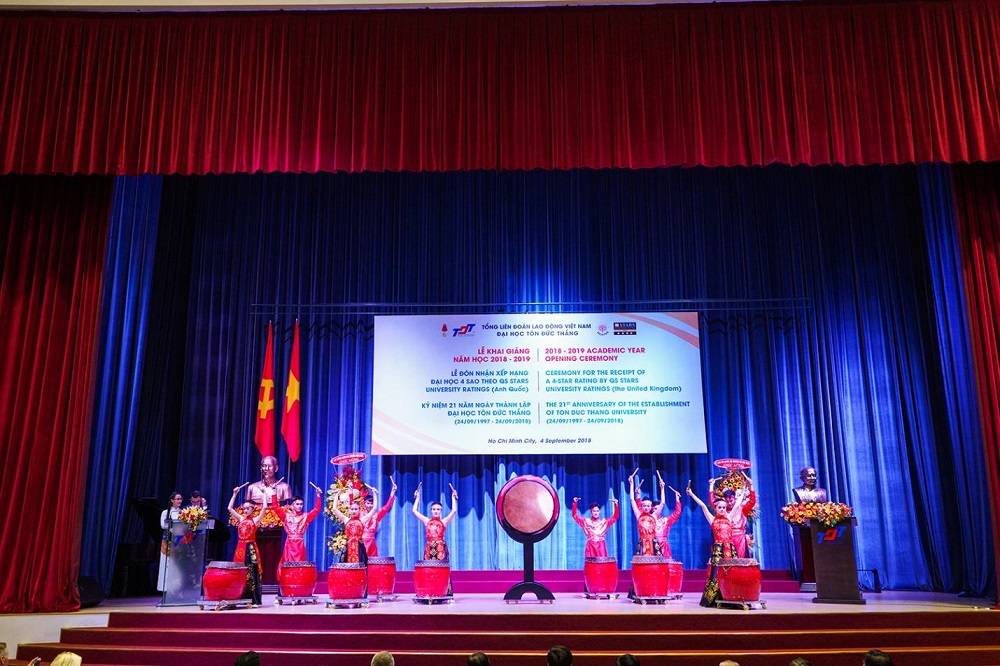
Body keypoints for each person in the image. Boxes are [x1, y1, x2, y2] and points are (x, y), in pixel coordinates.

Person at [687, 480, 747, 607]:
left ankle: (733, 595)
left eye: (724, 507)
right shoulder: (712, 519)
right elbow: (703, 506)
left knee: (732, 571)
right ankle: (715, 598)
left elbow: (737, 504)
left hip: (730, 548)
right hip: (719, 549)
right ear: (715, 508)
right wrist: (691, 494)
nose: (722, 509)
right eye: (720, 507)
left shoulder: (729, 517)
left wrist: (746, 486)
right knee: (717, 573)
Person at [269, 484, 323, 571]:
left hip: (299, 545)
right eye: (297, 504)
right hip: (289, 545)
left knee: (299, 566)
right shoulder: (286, 516)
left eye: (301, 504)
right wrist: (274, 492)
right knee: (287, 565)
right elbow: (275, 507)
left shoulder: (306, 517)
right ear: (293, 505)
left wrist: (318, 495)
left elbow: (316, 510)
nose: (299, 506)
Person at [228, 482, 264, 605]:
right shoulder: (241, 519)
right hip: (240, 547)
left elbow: (264, 508)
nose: (245, 510)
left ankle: (253, 598)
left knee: (252, 571)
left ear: (253, 509)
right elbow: (229, 508)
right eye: (244, 508)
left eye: (248, 508)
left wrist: (264, 494)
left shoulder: (255, 520)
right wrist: (234, 494)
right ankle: (239, 596)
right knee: (239, 570)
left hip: (251, 548)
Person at [412, 482, 458, 560]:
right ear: (431, 510)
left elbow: (453, 511)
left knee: (440, 568)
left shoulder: (444, 521)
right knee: (429, 568)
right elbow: (414, 511)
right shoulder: (427, 521)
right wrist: (417, 499)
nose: (436, 511)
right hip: (429, 546)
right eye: (434, 509)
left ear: (441, 511)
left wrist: (453, 498)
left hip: (440, 547)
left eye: (438, 509)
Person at [330, 496, 378, 565]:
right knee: (347, 568)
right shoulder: (346, 520)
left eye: (356, 509)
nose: (354, 511)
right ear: (349, 510)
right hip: (348, 547)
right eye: (352, 509)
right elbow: (335, 509)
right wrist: (336, 496)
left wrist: (374, 494)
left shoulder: (363, 520)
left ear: (359, 510)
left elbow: (374, 509)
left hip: (359, 547)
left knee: (361, 567)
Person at [628, 470, 661, 556]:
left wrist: (662, 488)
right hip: (642, 541)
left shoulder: (654, 515)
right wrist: (631, 484)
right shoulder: (638, 515)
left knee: (655, 562)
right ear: (641, 507)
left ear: (651, 507)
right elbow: (632, 500)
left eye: (648, 506)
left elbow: (663, 503)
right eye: (644, 506)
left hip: (653, 541)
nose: (646, 507)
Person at [362, 477, 397, 557]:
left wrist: (392, 493)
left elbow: (386, 508)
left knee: (372, 565)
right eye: (368, 503)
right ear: (364, 503)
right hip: (361, 543)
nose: (370, 505)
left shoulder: (376, 516)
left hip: (371, 543)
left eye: (371, 503)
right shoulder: (360, 514)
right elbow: (352, 508)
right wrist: (350, 493)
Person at [157, 491, 183, 592]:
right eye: (177, 499)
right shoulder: (165, 512)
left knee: (177, 565)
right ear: (172, 500)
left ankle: (176, 588)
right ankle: (165, 588)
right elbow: (163, 525)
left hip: (178, 541)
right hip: (168, 540)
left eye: (180, 499)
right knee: (166, 563)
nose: (179, 501)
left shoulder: (183, 512)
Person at [653, 471, 682, 559]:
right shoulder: (648, 520)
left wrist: (677, 499)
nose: (657, 510)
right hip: (651, 546)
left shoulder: (666, 520)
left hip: (663, 547)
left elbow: (677, 513)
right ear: (652, 509)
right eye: (655, 508)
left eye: (658, 508)